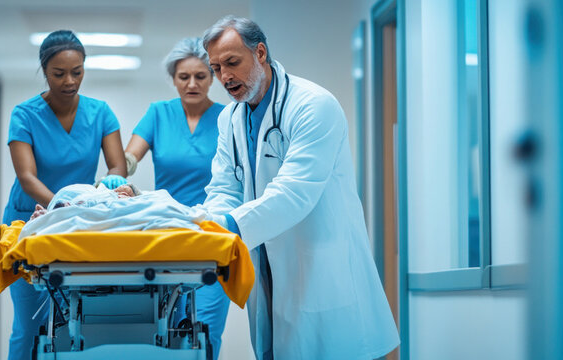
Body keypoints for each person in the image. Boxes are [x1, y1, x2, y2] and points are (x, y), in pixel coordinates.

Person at [197, 16, 400, 359]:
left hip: (319, 266)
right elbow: (224, 188)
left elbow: (294, 192)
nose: (224, 77)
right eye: (216, 68)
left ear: (260, 53)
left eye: (232, 62)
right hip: (267, 269)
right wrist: (210, 224)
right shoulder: (229, 119)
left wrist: (226, 226)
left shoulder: (313, 105)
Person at [1, 30, 128, 360]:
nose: (70, 81)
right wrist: (60, 206)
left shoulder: (100, 113)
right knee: (30, 325)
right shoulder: (25, 115)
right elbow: (27, 177)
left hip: (78, 224)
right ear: (45, 71)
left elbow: (117, 165)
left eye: (77, 72)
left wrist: (110, 185)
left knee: (73, 322)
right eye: (59, 73)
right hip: (31, 222)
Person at [123, 37, 230, 359]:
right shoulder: (158, 114)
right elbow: (131, 156)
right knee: (165, 327)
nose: (192, 84)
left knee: (206, 329)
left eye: (201, 76)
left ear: (212, 77)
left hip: (212, 232)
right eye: (184, 77)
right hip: (167, 232)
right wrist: (118, 172)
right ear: (173, 79)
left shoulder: (228, 117)